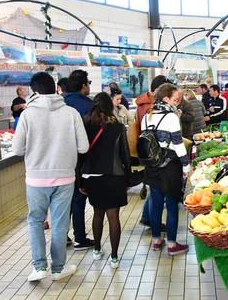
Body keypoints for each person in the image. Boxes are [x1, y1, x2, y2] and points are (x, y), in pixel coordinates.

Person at [12, 72, 89, 281]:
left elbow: (17, 149)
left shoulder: (27, 115)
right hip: (65, 178)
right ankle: (58, 269)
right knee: (60, 223)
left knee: (36, 220)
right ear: (56, 88)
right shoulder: (71, 113)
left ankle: (39, 268)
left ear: (34, 91)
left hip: (36, 179)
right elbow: (83, 147)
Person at [79, 93, 132, 269]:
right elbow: (125, 153)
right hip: (114, 174)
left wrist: (79, 180)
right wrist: (128, 177)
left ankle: (96, 250)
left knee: (97, 213)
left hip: (91, 175)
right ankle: (115, 257)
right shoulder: (117, 126)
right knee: (113, 216)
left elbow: (79, 154)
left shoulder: (85, 124)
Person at [142, 83, 189, 256]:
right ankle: (171, 244)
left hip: (152, 166)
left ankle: (156, 241)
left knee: (155, 205)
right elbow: (178, 144)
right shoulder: (171, 117)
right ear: (166, 98)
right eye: (175, 99)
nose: (177, 103)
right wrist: (186, 166)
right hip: (170, 167)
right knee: (171, 206)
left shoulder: (148, 116)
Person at [58, 70, 95, 250]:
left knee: (64, 199)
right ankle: (80, 238)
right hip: (83, 159)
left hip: (61, 159)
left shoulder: (60, 104)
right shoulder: (89, 105)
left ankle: (62, 235)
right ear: (83, 85)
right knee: (79, 198)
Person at [136, 75, 170, 230]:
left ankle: (147, 217)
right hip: (156, 150)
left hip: (148, 149)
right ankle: (151, 220)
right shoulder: (150, 106)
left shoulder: (143, 103)